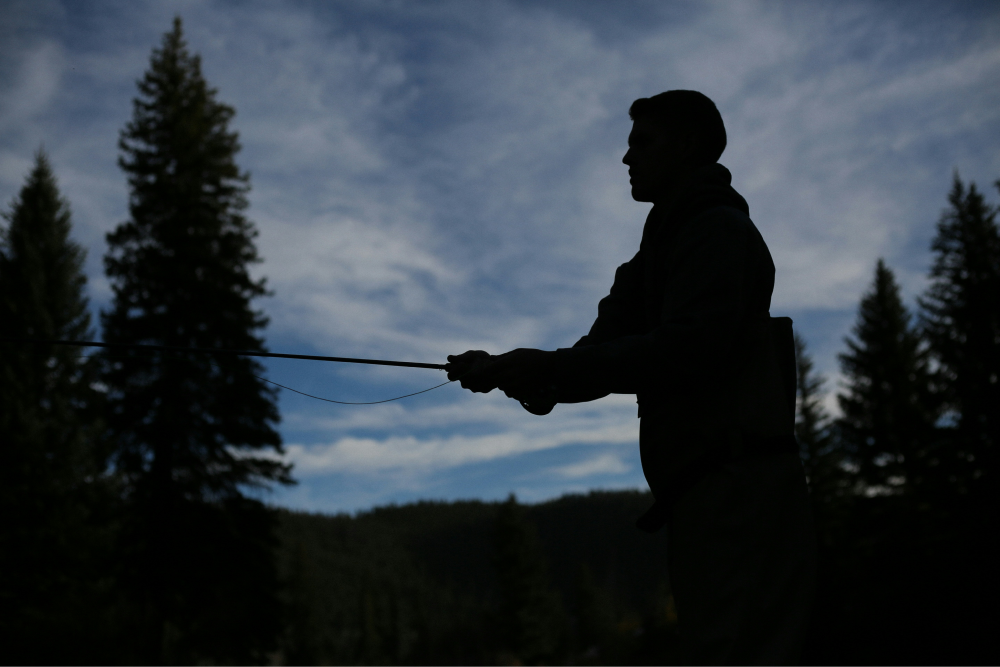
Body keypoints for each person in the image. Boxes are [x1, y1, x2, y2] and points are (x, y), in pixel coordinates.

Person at [446, 90, 816, 666]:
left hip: (742, 490)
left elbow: (686, 351)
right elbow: (597, 357)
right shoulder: (648, 260)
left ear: (688, 145)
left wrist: (543, 367)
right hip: (701, 498)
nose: (625, 159)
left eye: (641, 143)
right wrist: (509, 374)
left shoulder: (718, 232)